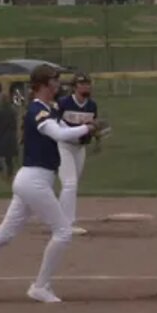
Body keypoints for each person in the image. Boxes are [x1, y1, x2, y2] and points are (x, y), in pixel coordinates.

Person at [0, 64, 102, 304]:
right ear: (42, 84)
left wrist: (87, 133)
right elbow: (60, 135)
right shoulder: (37, 110)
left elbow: (67, 131)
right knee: (62, 231)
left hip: (33, 180)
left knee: (5, 234)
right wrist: (89, 127)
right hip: (34, 181)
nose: (58, 85)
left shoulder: (49, 108)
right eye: (54, 81)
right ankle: (40, 286)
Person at [56, 73, 98, 235]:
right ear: (74, 87)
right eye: (82, 84)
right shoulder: (64, 103)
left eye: (88, 83)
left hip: (80, 148)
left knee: (72, 184)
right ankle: (66, 224)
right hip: (64, 146)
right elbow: (57, 125)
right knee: (69, 184)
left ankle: (59, 220)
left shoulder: (92, 106)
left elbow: (93, 126)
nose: (86, 86)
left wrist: (98, 137)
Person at [0, 91, 18, 183]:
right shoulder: (13, 111)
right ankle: (9, 176)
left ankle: (2, 174)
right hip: (11, 137)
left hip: (2, 138)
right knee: (9, 158)